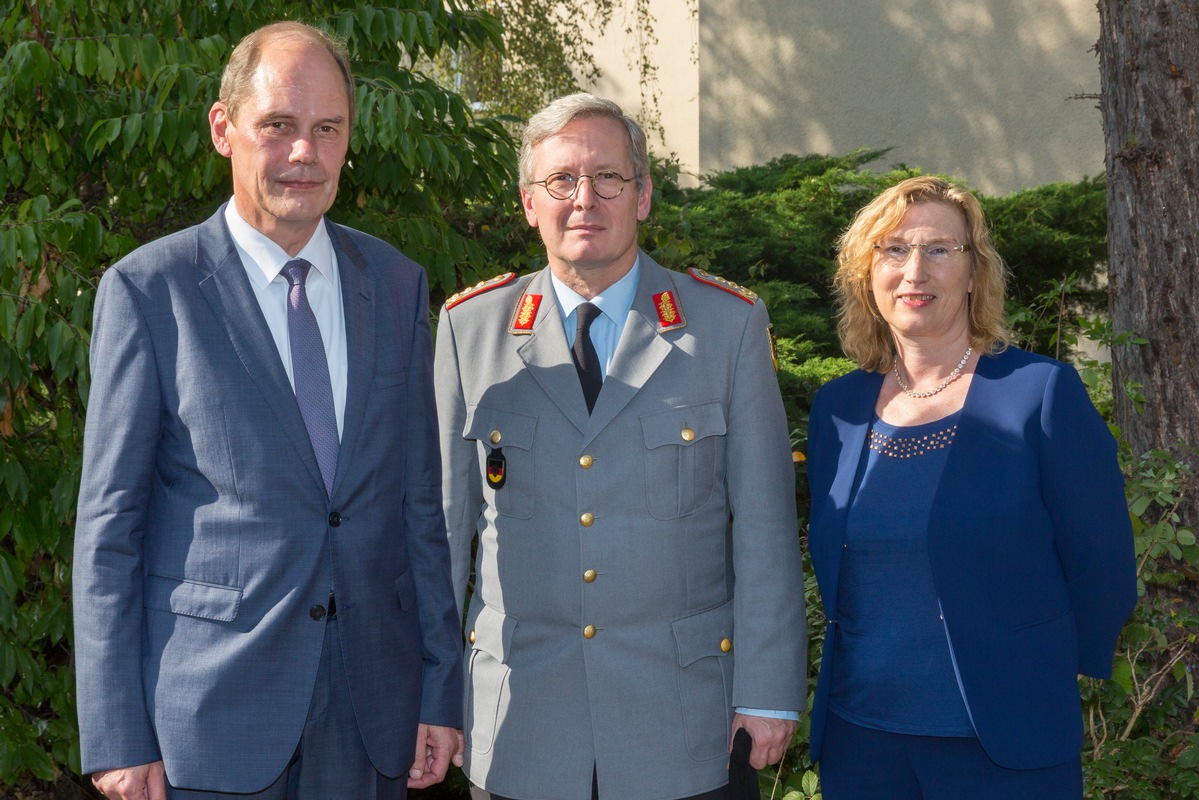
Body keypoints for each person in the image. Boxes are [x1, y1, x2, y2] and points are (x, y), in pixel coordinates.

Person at [72, 21, 463, 800]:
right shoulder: (151, 291)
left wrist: (438, 690)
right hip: (209, 719)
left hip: (371, 714)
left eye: (327, 130)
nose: (303, 154)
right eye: (278, 126)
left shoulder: (394, 286)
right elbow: (110, 529)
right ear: (225, 129)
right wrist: (117, 734)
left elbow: (420, 506)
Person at [433, 93, 807, 800]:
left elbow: (764, 530)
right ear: (527, 202)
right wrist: (430, 696)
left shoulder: (724, 328)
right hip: (520, 725)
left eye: (609, 178)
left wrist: (769, 691)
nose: (585, 199)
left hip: (683, 723)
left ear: (643, 197)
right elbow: (443, 537)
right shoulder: (469, 331)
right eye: (562, 180)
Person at [805, 175, 1138, 799]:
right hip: (861, 743)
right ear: (865, 275)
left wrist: (1035, 670)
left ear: (974, 273)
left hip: (1004, 745)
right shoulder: (838, 408)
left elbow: (1104, 564)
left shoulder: (1039, 394)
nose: (914, 270)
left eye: (939, 249)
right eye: (893, 250)